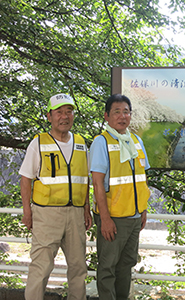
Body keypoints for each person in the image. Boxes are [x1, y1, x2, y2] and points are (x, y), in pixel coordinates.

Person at [19, 93, 92, 300]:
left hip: (76, 215)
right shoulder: (38, 143)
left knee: (78, 268)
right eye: (59, 112)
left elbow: (84, 180)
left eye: (68, 111)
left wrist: (86, 208)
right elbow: (26, 180)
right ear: (49, 116)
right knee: (41, 268)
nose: (64, 116)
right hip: (46, 215)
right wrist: (27, 212)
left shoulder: (80, 143)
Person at [90, 94, 151, 300]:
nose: (122, 116)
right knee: (108, 268)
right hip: (113, 218)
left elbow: (142, 179)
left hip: (134, 217)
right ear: (107, 116)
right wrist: (105, 219)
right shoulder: (101, 142)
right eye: (117, 112)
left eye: (126, 111)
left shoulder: (136, 141)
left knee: (127, 266)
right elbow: (97, 183)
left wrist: (142, 209)